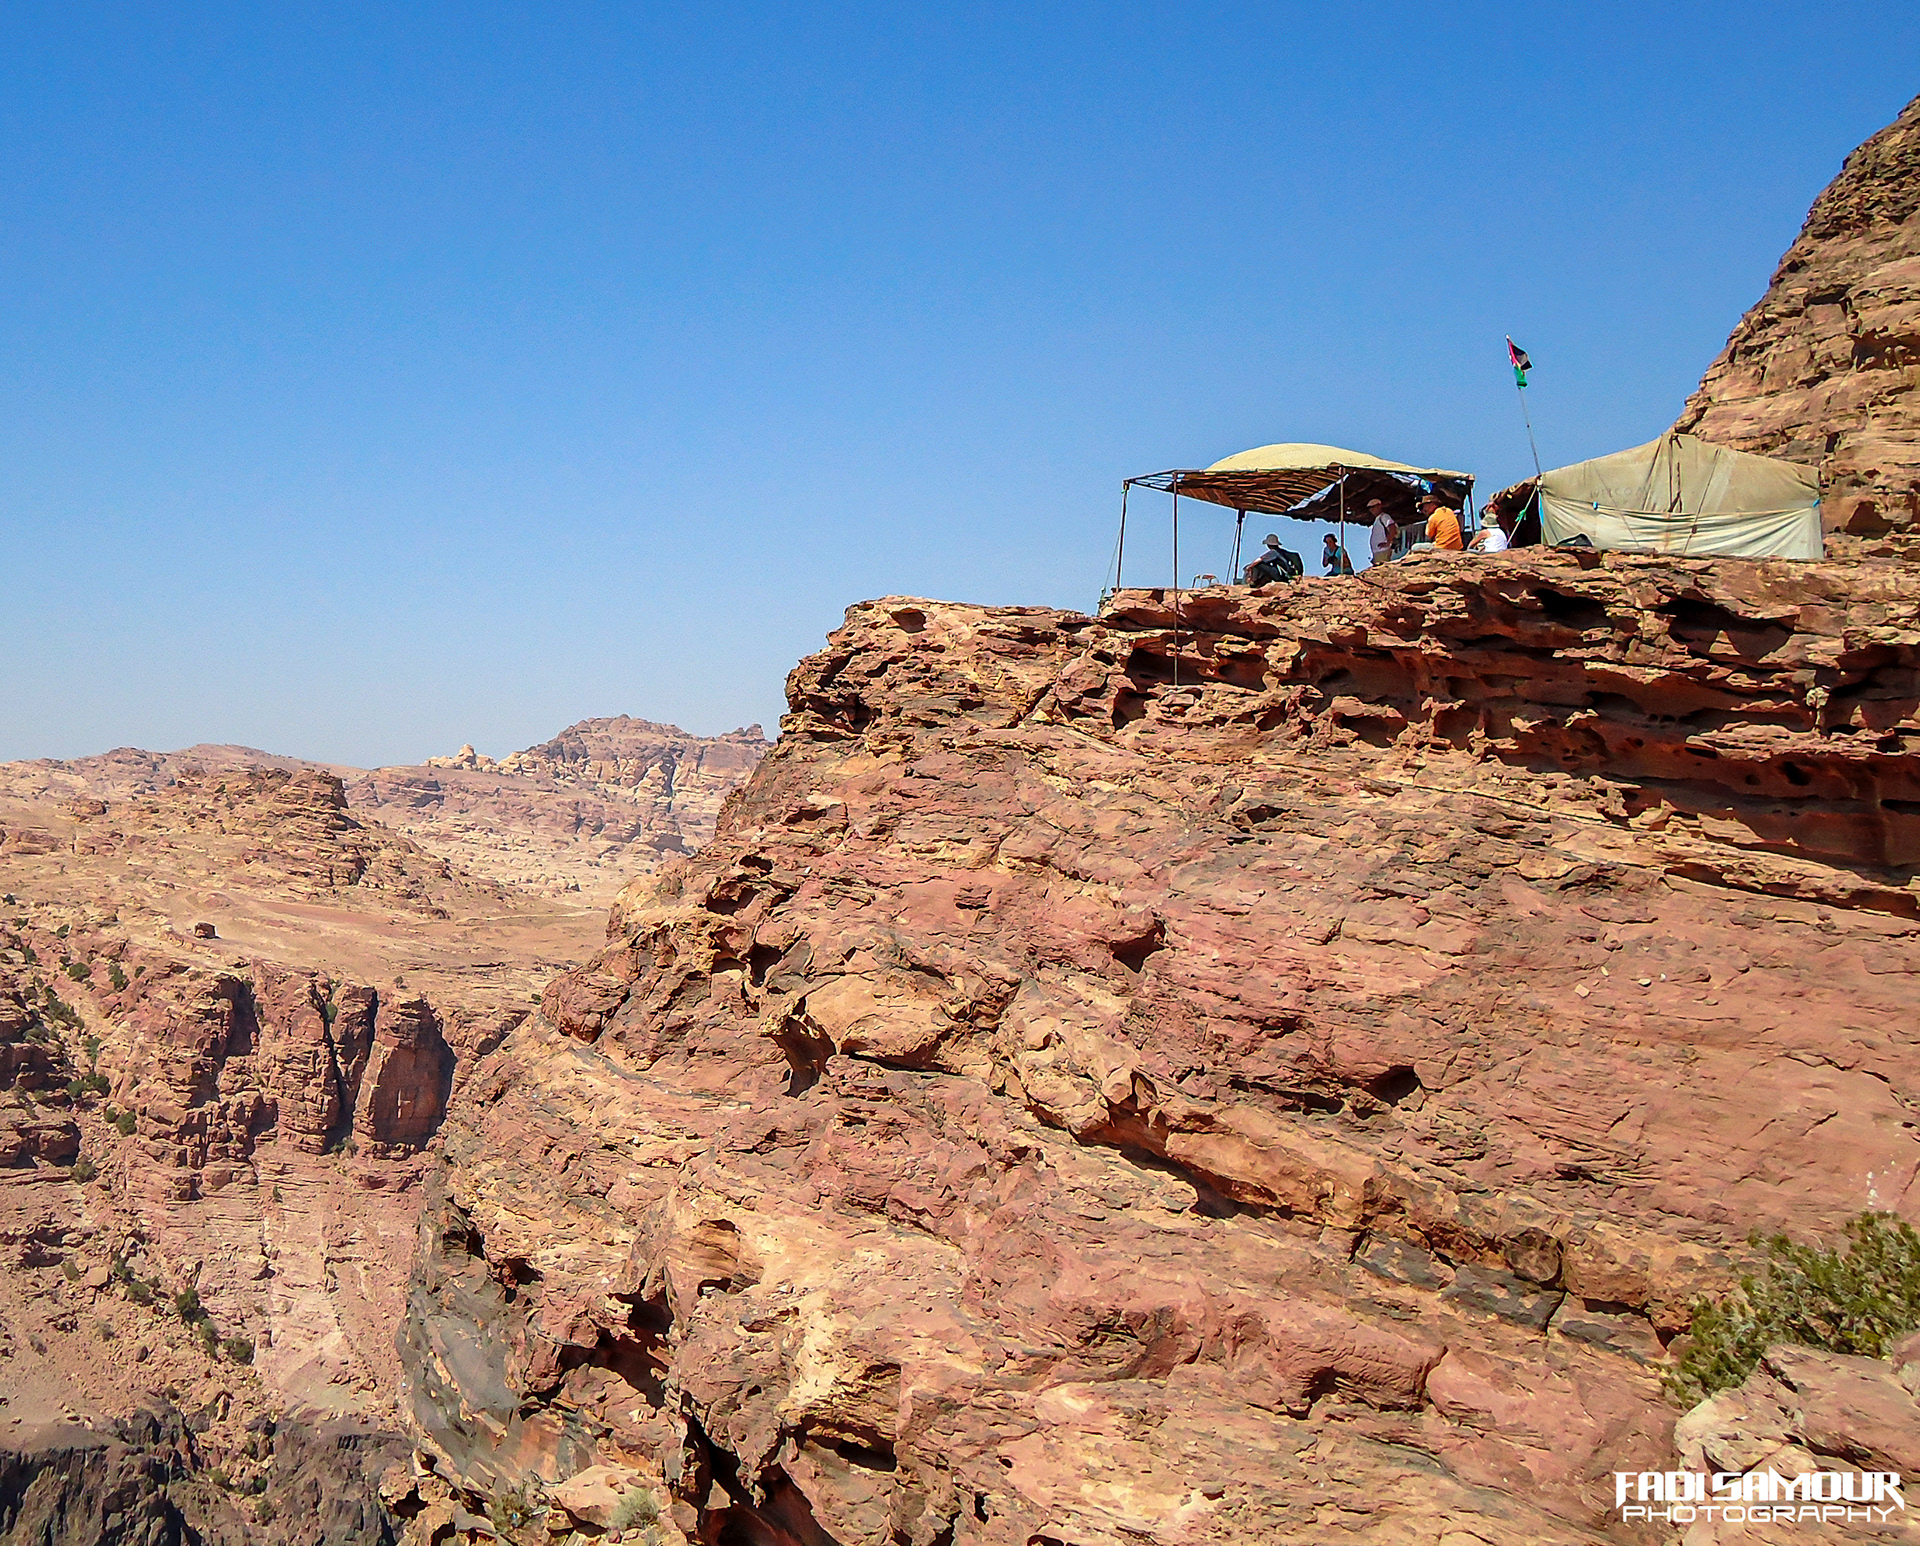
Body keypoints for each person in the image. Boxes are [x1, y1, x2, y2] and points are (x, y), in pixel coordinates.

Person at [1367, 498, 1397, 564]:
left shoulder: (1384, 517)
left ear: (1379, 506)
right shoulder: (1378, 519)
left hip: (1382, 551)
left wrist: (1388, 542)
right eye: (1369, 508)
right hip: (1378, 552)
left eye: (1373, 507)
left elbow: (1392, 528)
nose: (1371, 510)